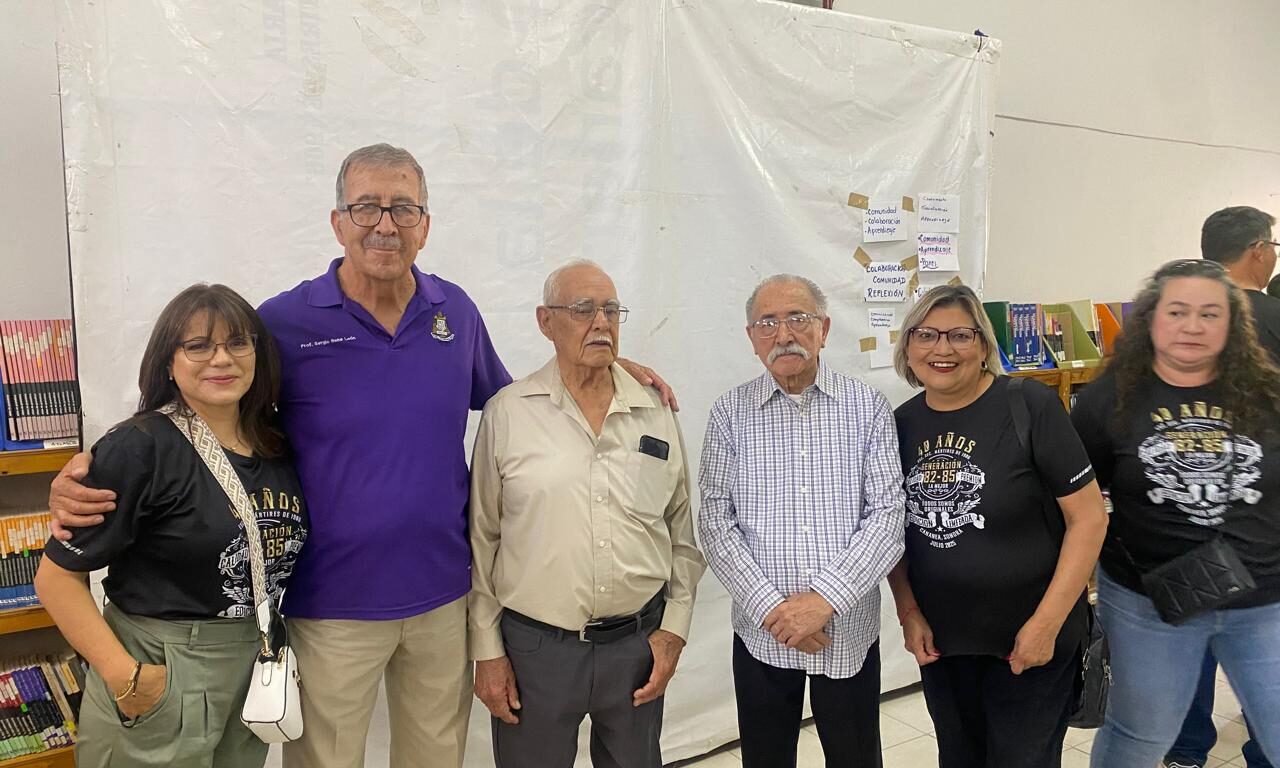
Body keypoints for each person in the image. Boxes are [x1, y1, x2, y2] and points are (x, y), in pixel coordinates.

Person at [45, 143, 674, 768]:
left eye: (403, 208)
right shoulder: (283, 323)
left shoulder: (453, 312)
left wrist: (600, 365)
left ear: (425, 225)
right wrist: (98, 465)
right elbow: (214, 408)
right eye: (366, 207)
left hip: (443, 594)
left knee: (435, 759)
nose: (385, 224)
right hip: (329, 602)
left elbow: (523, 408)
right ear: (338, 221)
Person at [34, 284, 309, 768]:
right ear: (168, 362)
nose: (221, 359)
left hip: (251, 666)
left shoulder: (276, 445)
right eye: (198, 346)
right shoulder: (140, 447)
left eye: (237, 342)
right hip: (162, 663)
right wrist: (126, 677)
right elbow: (56, 579)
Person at [468, 260, 705, 767]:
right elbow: (482, 539)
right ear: (545, 321)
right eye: (582, 309)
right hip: (536, 652)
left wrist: (674, 629)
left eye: (611, 310)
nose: (601, 322)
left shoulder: (655, 408)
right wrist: (486, 649)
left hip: (638, 647)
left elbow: (682, 528)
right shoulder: (508, 412)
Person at [885, 285, 1107, 768]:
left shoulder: (1028, 405)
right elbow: (890, 533)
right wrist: (908, 613)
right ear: (908, 347)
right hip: (944, 642)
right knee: (958, 757)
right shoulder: (899, 425)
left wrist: (1046, 625)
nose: (942, 349)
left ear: (984, 345)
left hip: (1031, 636)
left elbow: (1089, 518)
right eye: (926, 335)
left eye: (960, 335)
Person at [1071, 258, 1280, 768]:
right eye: (1178, 311)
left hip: (1266, 602)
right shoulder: (1106, 400)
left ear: (1232, 323)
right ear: (1151, 319)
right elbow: (1076, 501)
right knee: (1138, 735)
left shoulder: (1270, 393)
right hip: (1147, 603)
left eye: (1209, 314)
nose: (1192, 326)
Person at [698, 274, 905, 768]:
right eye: (767, 323)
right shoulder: (729, 414)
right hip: (762, 632)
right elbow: (715, 521)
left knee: (855, 757)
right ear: (751, 338)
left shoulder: (867, 408)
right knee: (766, 757)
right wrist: (775, 611)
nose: (783, 334)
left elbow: (888, 515)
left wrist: (824, 601)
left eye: (798, 318)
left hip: (846, 628)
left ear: (824, 329)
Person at [1164, 206, 1280, 768]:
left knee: (1190, 637)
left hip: (1183, 505)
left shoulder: (1170, 318)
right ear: (1257, 251)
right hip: (1263, 516)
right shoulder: (1274, 319)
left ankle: (1185, 751)